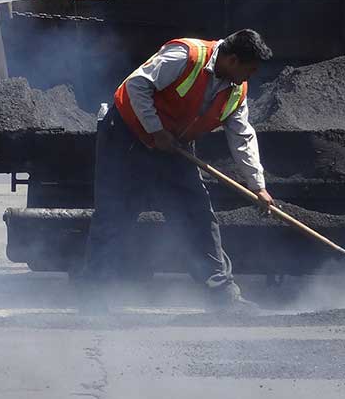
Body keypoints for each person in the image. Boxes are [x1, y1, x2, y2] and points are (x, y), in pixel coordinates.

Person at [82, 29, 276, 313]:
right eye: (250, 70)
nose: (250, 78)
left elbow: (242, 136)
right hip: (126, 138)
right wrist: (155, 129)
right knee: (114, 216)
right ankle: (94, 299)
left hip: (175, 147)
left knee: (197, 216)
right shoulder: (186, 56)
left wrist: (257, 185)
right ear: (233, 60)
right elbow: (136, 85)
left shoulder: (236, 90)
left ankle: (223, 298)